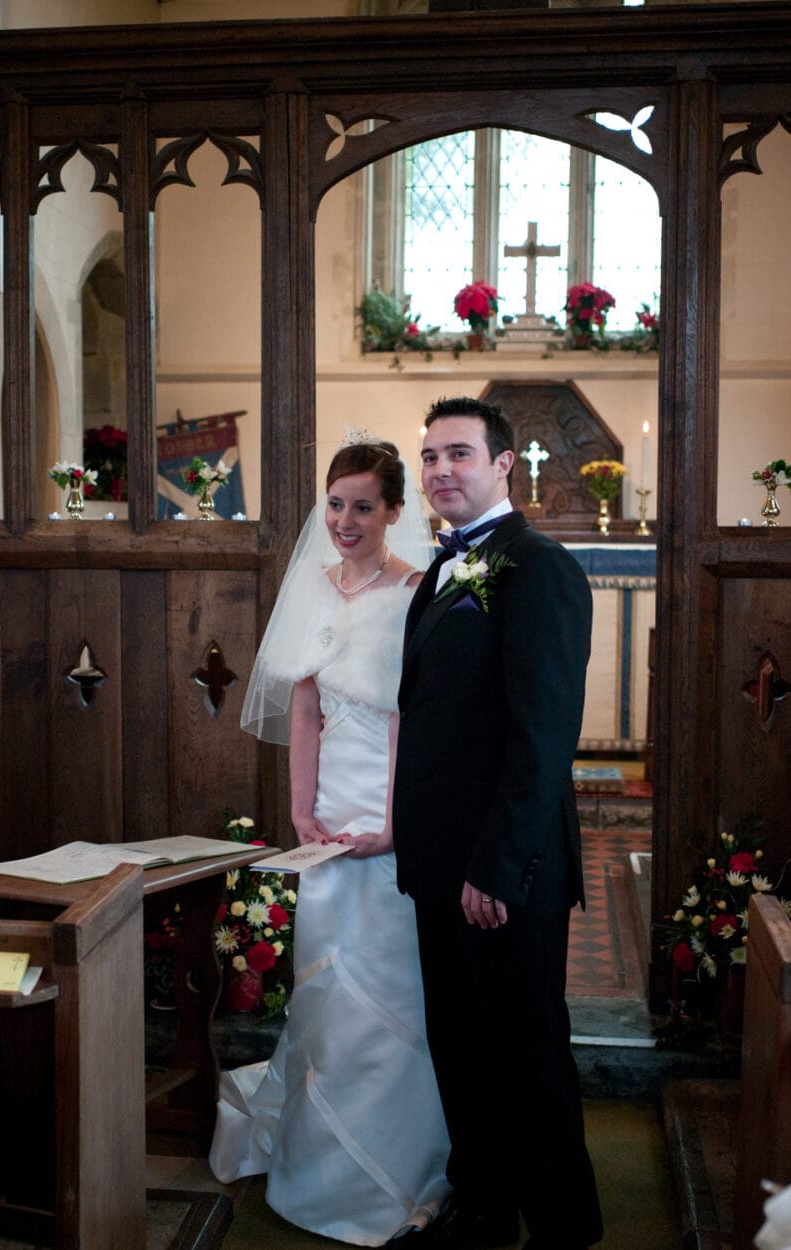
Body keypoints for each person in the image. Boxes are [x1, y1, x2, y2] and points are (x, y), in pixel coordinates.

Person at [209, 433, 451, 1247]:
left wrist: (393, 825)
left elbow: (408, 720)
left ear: (393, 512)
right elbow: (306, 712)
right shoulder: (313, 587)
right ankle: (316, 1166)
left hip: (388, 808)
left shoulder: (415, 591)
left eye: (363, 507)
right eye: (336, 505)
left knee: (387, 979)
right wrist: (300, 813)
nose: (346, 521)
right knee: (323, 978)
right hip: (327, 812)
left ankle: (398, 1171)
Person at [390, 397, 603, 1250]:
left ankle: (562, 1228)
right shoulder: (444, 567)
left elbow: (542, 736)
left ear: (503, 464)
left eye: (459, 454)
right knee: (460, 1045)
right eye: (430, 456)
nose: (441, 470)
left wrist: (495, 866)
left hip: (504, 870)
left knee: (524, 1051)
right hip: (441, 861)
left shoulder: (538, 567)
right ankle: (482, 1210)